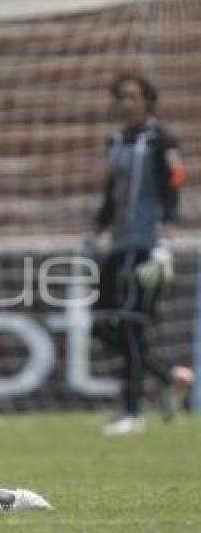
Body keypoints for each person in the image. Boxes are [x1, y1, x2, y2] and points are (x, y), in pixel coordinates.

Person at [83, 73, 194, 435]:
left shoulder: (162, 142)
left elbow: (171, 193)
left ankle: (131, 412)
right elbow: (111, 195)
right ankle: (168, 376)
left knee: (130, 324)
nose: (127, 103)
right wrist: (95, 231)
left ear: (148, 100)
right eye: (121, 97)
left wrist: (164, 242)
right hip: (119, 244)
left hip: (147, 245)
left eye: (134, 97)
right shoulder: (115, 142)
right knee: (100, 323)